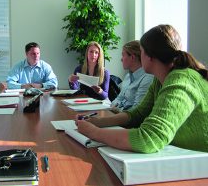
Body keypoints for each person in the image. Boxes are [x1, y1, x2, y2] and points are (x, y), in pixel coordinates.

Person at [77, 24, 208, 153]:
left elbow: (149, 138)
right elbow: (138, 114)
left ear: (149, 56)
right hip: (182, 158)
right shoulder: (159, 79)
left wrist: (94, 132)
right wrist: (97, 122)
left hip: (198, 166)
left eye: (142, 51)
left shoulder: (181, 80)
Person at [111, 40, 153, 111]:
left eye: (123, 55)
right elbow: (117, 99)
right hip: (118, 115)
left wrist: (117, 109)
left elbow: (136, 111)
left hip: (130, 120)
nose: (121, 59)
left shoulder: (147, 78)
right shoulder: (128, 76)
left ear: (132, 57)